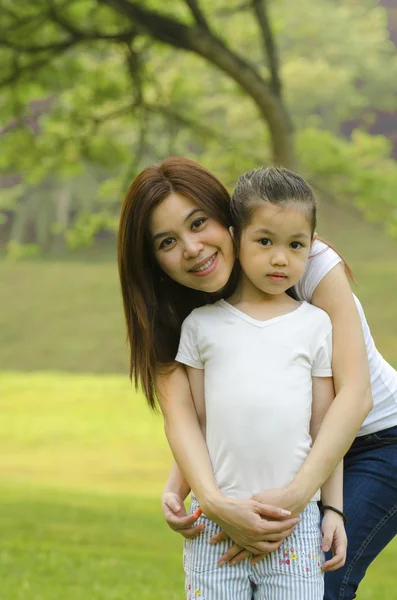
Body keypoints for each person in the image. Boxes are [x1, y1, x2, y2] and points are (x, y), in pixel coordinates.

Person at [117, 157, 396, 599]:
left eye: (198, 223)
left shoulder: (304, 263)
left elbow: (354, 397)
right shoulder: (181, 312)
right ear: (150, 258)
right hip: (288, 451)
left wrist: (297, 499)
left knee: (323, 580)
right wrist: (209, 500)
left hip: (378, 439)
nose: (191, 248)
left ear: (229, 221)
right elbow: (192, 417)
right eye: (167, 241)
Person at [173, 166, 346, 598]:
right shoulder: (201, 326)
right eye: (264, 241)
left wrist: (333, 509)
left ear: (311, 246)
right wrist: (178, 490)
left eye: (295, 245)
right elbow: (197, 423)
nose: (280, 258)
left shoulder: (316, 325)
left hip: (296, 521)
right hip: (216, 520)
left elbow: (325, 429)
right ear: (236, 237)